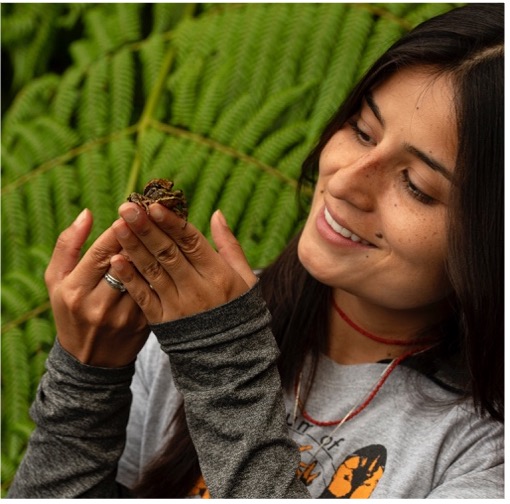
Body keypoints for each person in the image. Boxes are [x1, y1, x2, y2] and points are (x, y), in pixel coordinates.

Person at [8, 3, 503, 499]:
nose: (346, 181)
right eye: (361, 131)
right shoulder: (195, 323)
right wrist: (87, 383)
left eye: (416, 185)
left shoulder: (484, 456)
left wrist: (223, 364)